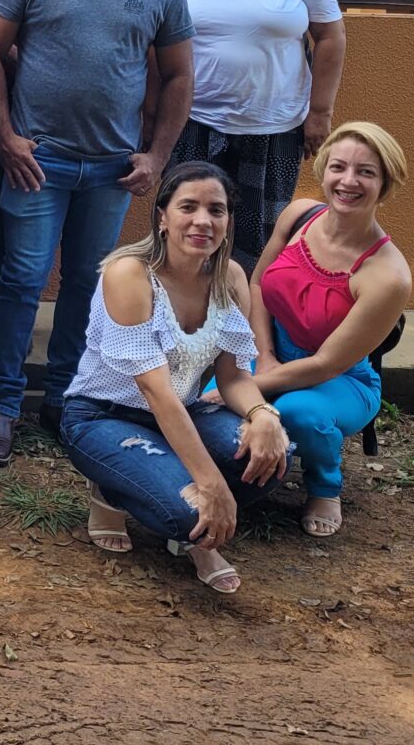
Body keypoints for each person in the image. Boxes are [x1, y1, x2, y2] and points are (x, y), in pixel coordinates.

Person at [0, 0, 195, 465]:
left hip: (112, 169)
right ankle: (2, 404)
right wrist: (4, 135)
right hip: (36, 161)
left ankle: (65, 399)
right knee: (20, 283)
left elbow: (178, 77)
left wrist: (157, 156)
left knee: (85, 284)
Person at [58, 162, 291, 593]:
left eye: (216, 210)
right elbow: (155, 391)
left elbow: (233, 376)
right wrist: (211, 483)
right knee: (182, 513)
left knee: (273, 459)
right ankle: (126, 497)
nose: (203, 220)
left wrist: (262, 415)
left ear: (228, 221)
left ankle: (195, 525)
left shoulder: (231, 277)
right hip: (104, 416)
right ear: (162, 216)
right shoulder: (129, 273)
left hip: (184, 411)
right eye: (189, 207)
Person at [158, 0, 347, 271]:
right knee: (190, 235)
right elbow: (158, 45)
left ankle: (246, 329)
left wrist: (320, 113)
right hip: (195, 125)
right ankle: (186, 327)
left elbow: (330, 36)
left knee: (260, 243)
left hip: (275, 126)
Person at [247, 123, 411, 538]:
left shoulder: (387, 274)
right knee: (204, 395)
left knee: (299, 413)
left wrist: (258, 384)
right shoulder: (299, 214)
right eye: (338, 167)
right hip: (267, 354)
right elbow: (257, 285)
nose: (349, 181)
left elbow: (323, 364)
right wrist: (264, 356)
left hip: (339, 379)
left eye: (366, 172)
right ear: (322, 171)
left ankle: (324, 484)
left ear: (385, 183)